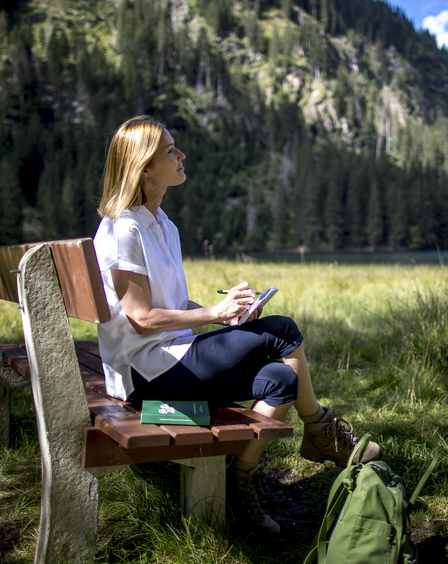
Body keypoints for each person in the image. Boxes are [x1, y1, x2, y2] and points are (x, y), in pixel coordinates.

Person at [93, 116, 381, 536]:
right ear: (145, 167)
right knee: (281, 330)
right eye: (170, 150)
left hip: (171, 359)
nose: (181, 154)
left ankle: (238, 482)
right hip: (143, 375)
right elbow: (141, 318)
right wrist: (215, 313)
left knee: (282, 379)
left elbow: (172, 305)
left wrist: (229, 313)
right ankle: (321, 430)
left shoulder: (163, 225)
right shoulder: (123, 228)